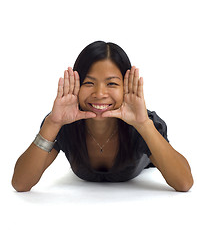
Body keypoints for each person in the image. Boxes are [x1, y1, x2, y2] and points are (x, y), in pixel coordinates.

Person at [12, 41, 193, 192]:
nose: (100, 94)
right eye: (89, 83)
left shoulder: (141, 124)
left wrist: (144, 124)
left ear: (126, 87)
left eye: (112, 83)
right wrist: (52, 123)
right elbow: (20, 184)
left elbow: (184, 183)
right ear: (76, 85)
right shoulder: (62, 123)